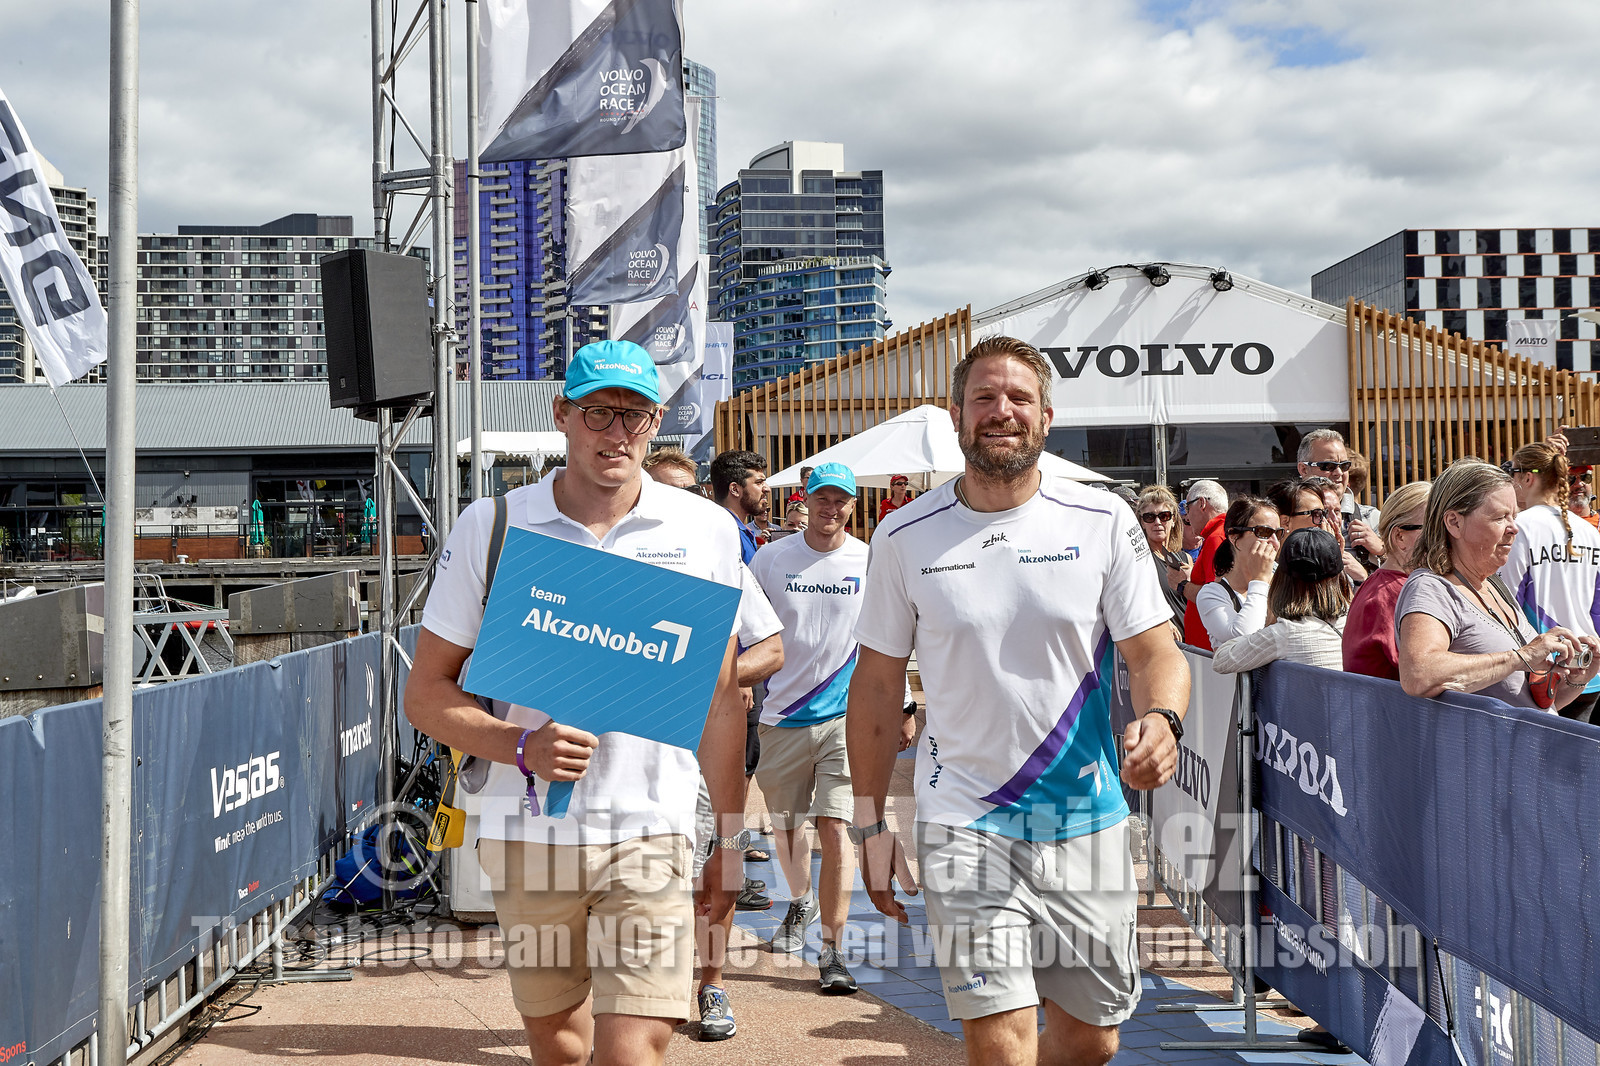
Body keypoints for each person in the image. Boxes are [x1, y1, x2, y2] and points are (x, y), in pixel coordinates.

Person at [404, 340, 760, 1066]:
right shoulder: (494, 525)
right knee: (561, 1047)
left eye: (635, 415)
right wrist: (520, 747)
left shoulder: (704, 530)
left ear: (656, 422)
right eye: (599, 411)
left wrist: (728, 841)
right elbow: (425, 694)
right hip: (528, 836)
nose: (617, 432)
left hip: (652, 831)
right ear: (563, 414)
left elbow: (723, 703)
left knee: (634, 1052)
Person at [847, 336, 1190, 1066]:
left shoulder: (1101, 519)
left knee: (1092, 1041)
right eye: (984, 398)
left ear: (1046, 416)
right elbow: (876, 686)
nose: (1001, 412)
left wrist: (1162, 718)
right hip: (963, 817)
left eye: (1018, 398)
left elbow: (1156, 651)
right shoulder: (903, 534)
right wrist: (870, 821)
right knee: (999, 1044)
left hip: (1084, 813)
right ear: (956, 415)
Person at [749, 462, 909, 995]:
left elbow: (888, 640)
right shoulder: (772, 560)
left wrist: (903, 705)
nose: (831, 508)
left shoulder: (869, 559)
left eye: (841, 500)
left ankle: (832, 950)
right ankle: (800, 900)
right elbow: (747, 627)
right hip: (782, 717)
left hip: (848, 716)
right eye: (822, 498)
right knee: (788, 828)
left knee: (837, 827)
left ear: (851, 505)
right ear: (805, 499)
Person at [646, 447, 785, 1040]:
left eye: (687, 490)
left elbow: (771, 647)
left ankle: (711, 985)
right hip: (630, 752)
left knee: (717, 872)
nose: (676, 500)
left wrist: (721, 679)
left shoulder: (715, 558)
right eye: (663, 489)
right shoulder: (609, 562)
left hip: (708, 747)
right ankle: (638, 991)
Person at [1396, 460, 1600, 712]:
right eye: (1500, 517)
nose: (1514, 527)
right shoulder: (1431, 587)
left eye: (1513, 516)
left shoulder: (1492, 584)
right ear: (1454, 522)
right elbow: (1418, 674)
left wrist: (1577, 678)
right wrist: (1520, 657)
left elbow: (1535, 702)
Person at [1500, 441, 1600, 722]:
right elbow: (1598, 608)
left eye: (1513, 474)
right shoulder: (1589, 531)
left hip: (1542, 675)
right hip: (1588, 671)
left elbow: (1507, 605)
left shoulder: (1519, 527)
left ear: (1527, 478)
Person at [1212, 528, 1351, 673]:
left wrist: (1259, 581)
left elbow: (1221, 660)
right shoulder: (1350, 622)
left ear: (1282, 581)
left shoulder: (1284, 633)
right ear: (1339, 578)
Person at [1342, 481, 1430, 680]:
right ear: (1399, 537)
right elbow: (1424, 674)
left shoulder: (1385, 585)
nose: (1444, 538)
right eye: (1432, 529)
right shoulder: (1397, 594)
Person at [1195, 496, 1281, 648]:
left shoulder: (1282, 580)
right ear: (1234, 537)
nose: (1274, 542)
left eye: (1278, 533)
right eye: (1264, 532)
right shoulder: (1212, 593)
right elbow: (1244, 638)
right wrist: (1260, 580)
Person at [1296, 429, 1382, 572]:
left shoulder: (1371, 519)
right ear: (1304, 469)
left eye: (1344, 466)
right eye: (1328, 466)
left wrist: (1382, 550)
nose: (1339, 472)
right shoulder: (1279, 518)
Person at [1179, 479, 1230, 649]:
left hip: (1208, 652)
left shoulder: (1216, 538)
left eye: (1187, 507)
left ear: (1201, 503)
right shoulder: (1221, 534)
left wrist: (1182, 584)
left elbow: (1216, 598)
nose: (1186, 515)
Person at [1136, 485, 1188, 632]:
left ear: (1173, 520)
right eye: (1149, 517)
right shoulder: (1138, 560)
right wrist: (1163, 621)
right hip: (1164, 642)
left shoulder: (1186, 558)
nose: (1157, 523)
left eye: (1164, 516)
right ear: (1142, 523)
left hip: (1192, 643)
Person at [711, 450, 771, 564]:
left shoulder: (735, 530)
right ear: (735, 489)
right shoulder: (725, 533)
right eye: (759, 482)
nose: (767, 489)